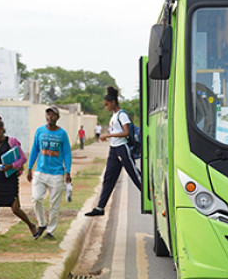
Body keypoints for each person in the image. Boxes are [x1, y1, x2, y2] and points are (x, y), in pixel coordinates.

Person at [86, 86, 143, 217]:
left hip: (122, 148)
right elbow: (116, 130)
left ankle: (149, 197)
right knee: (108, 178)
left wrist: (108, 136)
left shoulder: (122, 114)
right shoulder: (114, 116)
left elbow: (126, 132)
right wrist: (109, 134)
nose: (106, 107)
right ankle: (100, 208)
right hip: (113, 149)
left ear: (113, 102)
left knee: (135, 175)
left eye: (107, 105)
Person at [0, 116, 37, 245]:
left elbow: (22, 158)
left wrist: (12, 166)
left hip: (10, 178)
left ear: (2, 130)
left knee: (15, 208)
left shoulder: (12, 142)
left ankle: (31, 225)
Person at [27, 106, 72, 240]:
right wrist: (29, 168)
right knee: (36, 199)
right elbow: (34, 150)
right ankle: (42, 224)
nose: (50, 117)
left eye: (53, 115)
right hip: (40, 172)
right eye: (48, 115)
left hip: (57, 174)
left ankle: (50, 231)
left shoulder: (62, 134)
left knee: (54, 205)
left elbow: (67, 153)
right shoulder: (40, 131)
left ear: (58, 117)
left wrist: (68, 171)